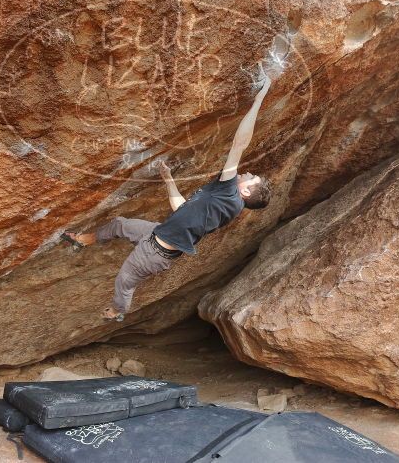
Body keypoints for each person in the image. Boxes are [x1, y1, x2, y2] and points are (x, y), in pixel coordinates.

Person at [63, 77, 273, 321]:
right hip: (157, 233)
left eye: (251, 178)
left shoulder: (229, 193)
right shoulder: (225, 202)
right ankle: (83, 240)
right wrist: (168, 180)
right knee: (119, 224)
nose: (246, 173)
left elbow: (239, 144)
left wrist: (259, 99)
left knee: (125, 281)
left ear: (245, 192)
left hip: (154, 254)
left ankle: (117, 311)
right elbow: (183, 209)